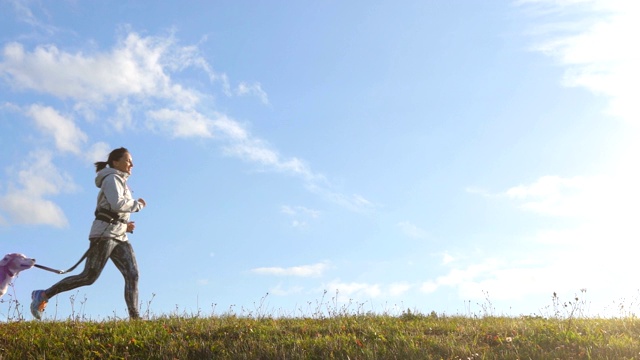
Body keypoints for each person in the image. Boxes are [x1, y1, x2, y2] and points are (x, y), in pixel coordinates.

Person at [30, 147, 147, 320]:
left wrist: (125, 225)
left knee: (133, 274)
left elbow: (114, 209)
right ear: (115, 162)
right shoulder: (112, 178)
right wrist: (137, 205)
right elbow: (117, 204)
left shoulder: (120, 181)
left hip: (119, 235)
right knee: (88, 277)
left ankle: (135, 317)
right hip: (104, 235)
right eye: (128, 160)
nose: (132, 164)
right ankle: (44, 294)